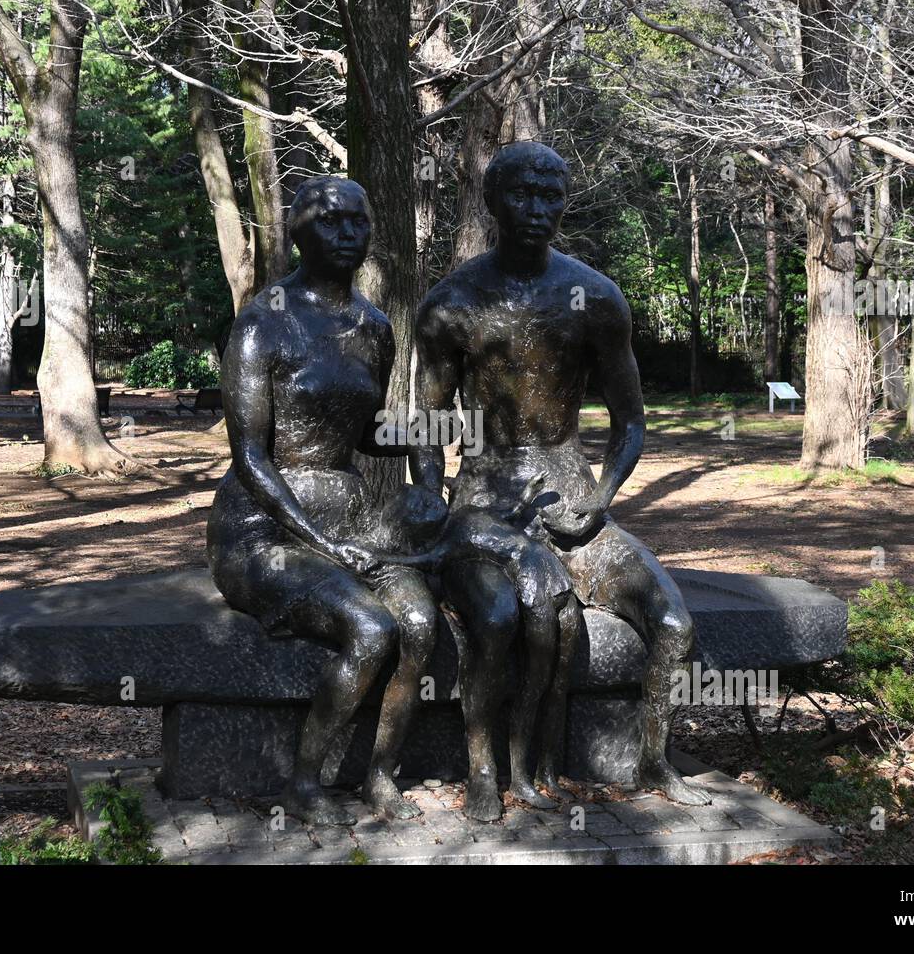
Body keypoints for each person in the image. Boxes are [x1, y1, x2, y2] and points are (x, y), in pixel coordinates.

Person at [412, 142, 711, 822]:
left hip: (575, 499)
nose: (539, 210)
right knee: (494, 618)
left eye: (552, 196)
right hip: (486, 504)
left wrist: (600, 499)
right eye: (523, 194)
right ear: (492, 202)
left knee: (673, 622)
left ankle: (653, 763)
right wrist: (432, 503)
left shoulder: (596, 299)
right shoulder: (452, 304)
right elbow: (425, 427)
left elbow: (631, 422)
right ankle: (485, 770)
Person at [207, 176, 435, 825]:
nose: (347, 234)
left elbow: (364, 430)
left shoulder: (372, 327)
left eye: (358, 221)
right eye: (331, 221)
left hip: (351, 516)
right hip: (264, 526)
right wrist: (319, 539)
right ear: (301, 231)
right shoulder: (261, 327)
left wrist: (430, 444)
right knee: (371, 628)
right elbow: (250, 455)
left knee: (419, 627)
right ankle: (305, 783)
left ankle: (381, 774)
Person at [367, 476, 579, 809]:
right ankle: (514, 777)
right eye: (418, 507)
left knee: (551, 678)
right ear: (417, 528)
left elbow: (508, 513)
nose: (428, 499)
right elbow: (427, 561)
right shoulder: (447, 542)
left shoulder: (465, 513)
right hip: (529, 581)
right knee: (533, 680)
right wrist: (385, 559)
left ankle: (543, 773)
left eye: (424, 495)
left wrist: (526, 494)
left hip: (545, 572)